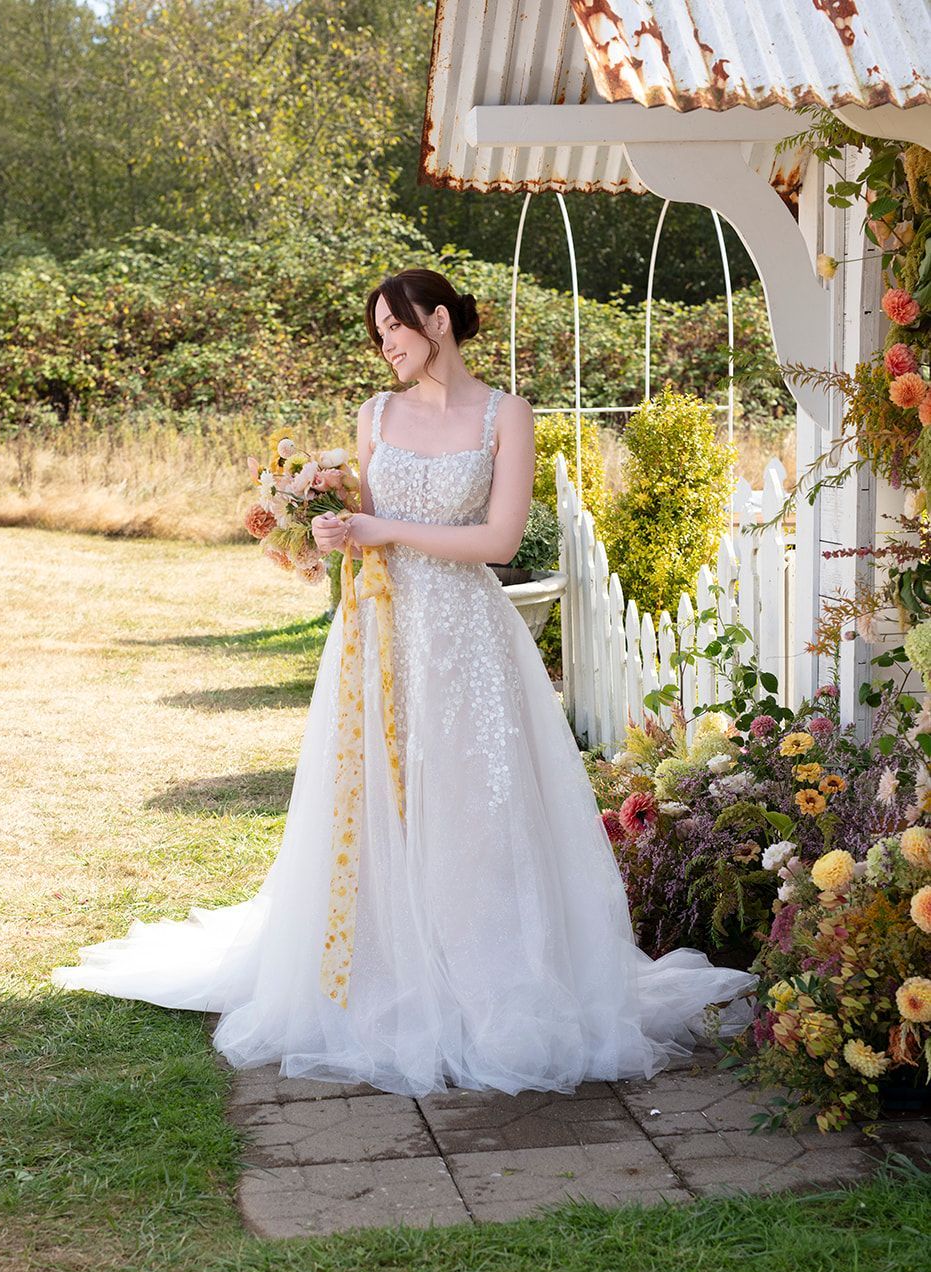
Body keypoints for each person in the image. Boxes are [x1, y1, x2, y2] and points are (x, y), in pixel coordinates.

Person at [52, 268, 754, 1095]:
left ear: (441, 320)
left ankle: (490, 971)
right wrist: (329, 527)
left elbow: (497, 541)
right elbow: (369, 536)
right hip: (380, 630)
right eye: (377, 330)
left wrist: (379, 524)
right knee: (379, 798)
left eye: (396, 325)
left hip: (467, 632)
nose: (385, 342)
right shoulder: (374, 414)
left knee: (473, 796)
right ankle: (387, 965)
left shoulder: (506, 414)